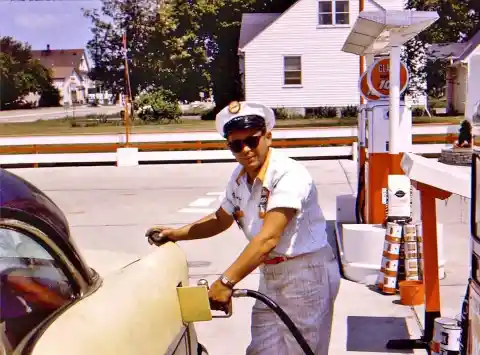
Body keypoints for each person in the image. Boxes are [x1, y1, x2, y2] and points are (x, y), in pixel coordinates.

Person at [145, 101, 341, 354]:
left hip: (305, 274)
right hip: (271, 274)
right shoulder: (240, 177)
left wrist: (226, 282)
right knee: (261, 350)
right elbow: (220, 219)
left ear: (268, 137)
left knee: (301, 350)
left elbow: (269, 238)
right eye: (236, 145)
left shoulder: (289, 174)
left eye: (252, 140)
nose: (245, 150)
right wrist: (176, 233)